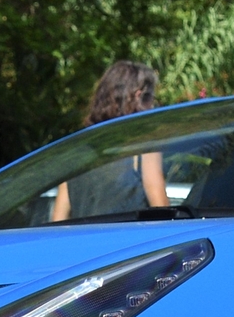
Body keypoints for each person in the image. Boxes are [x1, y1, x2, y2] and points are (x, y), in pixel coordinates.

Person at [50, 60, 168, 222]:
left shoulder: (77, 150)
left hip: (87, 245)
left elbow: (58, 219)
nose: (153, 107)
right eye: (151, 99)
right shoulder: (144, 148)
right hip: (131, 244)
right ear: (138, 97)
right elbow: (164, 214)